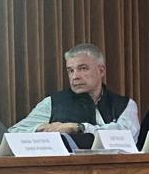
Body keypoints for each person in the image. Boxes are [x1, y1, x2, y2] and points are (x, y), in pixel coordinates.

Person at [8, 42, 140, 147]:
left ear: (101, 71)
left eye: (83, 69)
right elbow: (13, 133)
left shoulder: (125, 105)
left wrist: (79, 128)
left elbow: (126, 137)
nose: (75, 76)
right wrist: (40, 128)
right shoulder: (53, 103)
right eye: (70, 71)